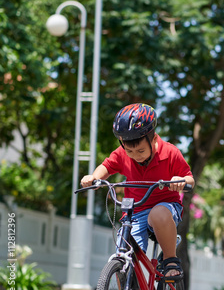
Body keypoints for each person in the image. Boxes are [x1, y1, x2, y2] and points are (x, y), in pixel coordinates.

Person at [81, 103, 195, 279]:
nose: (135, 155)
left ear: (154, 138)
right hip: (136, 211)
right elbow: (107, 167)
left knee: (157, 214)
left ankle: (170, 259)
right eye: (130, 151)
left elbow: (189, 179)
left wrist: (179, 181)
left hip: (165, 207)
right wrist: (94, 178)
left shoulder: (170, 152)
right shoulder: (122, 154)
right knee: (123, 257)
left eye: (141, 150)